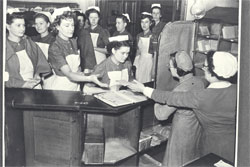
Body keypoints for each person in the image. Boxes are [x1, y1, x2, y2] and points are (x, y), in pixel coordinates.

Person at [128, 51, 238, 163]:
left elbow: (169, 101)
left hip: (212, 147)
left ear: (212, 72)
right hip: (235, 145)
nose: (203, 69)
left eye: (205, 67)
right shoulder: (236, 90)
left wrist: (144, 90)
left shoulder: (202, 97)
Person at [154, 51, 205, 167]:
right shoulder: (198, 81)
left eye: (170, 66)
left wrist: (156, 98)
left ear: (178, 69)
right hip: (195, 128)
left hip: (181, 131)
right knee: (190, 158)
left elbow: (161, 114)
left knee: (175, 161)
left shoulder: (181, 89)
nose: (169, 69)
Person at [45, 7, 108, 91]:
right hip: (61, 88)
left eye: (72, 25)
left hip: (76, 86)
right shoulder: (55, 47)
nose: (71, 29)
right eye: (67, 25)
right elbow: (69, 74)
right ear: (57, 27)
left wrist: (89, 75)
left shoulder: (73, 41)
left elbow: (77, 69)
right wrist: (89, 78)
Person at [5, 8, 51, 88]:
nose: (22, 29)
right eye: (18, 25)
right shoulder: (4, 47)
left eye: (23, 25)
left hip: (34, 85)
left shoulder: (29, 42)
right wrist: (23, 84)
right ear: (8, 27)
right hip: (14, 89)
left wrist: (37, 75)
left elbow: (41, 63)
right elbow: (3, 78)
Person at [134, 12, 154, 83]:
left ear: (150, 23)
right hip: (140, 61)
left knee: (146, 82)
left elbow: (155, 54)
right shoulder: (138, 35)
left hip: (149, 62)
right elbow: (138, 51)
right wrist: (135, 65)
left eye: (146, 22)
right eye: (142, 22)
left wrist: (153, 70)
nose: (144, 24)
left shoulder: (153, 36)